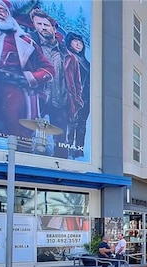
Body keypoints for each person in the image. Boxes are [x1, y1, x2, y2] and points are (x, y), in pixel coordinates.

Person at [0, 0, 54, 138]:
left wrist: (26, 78)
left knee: (17, 136)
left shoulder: (25, 41)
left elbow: (49, 69)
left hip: (10, 100)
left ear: (8, 13)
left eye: (2, 9)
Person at [30, 8, 83, 159]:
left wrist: (76, 102)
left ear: (54, 28)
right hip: (37, 100)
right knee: (28, 133)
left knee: (61, 141)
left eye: (46, 24)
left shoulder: (69, 56)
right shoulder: (30, 47)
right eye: (39, 24)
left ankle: (61, 167)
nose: (43, 27)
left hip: (61, 103)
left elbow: (77, 84)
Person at [65, 32, 90, 159]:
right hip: (71, 96)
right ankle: (68, 148)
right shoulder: (67, 57)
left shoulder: (85, 62)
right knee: (71, 123)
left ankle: (79, 149)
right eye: (75, 41)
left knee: (82, 124)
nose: (78, 44)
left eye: (80, 42)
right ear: (69, 42)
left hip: (85, 99)